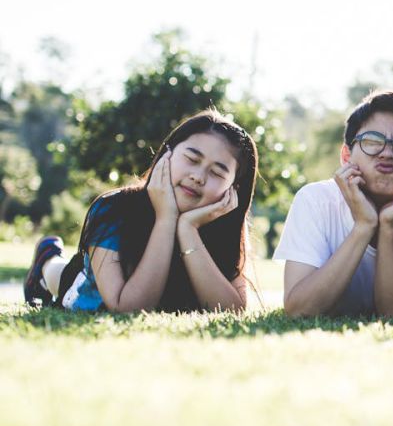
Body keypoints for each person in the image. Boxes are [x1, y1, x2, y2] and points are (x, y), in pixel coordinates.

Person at [22, 110, 259, 312]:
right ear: (168, 154)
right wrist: (166, 219)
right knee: (60, 275)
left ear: (232, 188)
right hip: (86, 286)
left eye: (217, 173)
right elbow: (129, 308)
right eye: (191, 158)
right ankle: (46, 257)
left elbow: (232, 310)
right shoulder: (113, 208)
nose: (198, 177)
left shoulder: (224, 223)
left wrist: (188, 229)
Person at [276, 90, 393, 318]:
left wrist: (389, 226)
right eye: (372, 141)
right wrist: (363, 226)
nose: (387, 153)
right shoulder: (314, 200)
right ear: (346, 157)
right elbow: (299, 310)